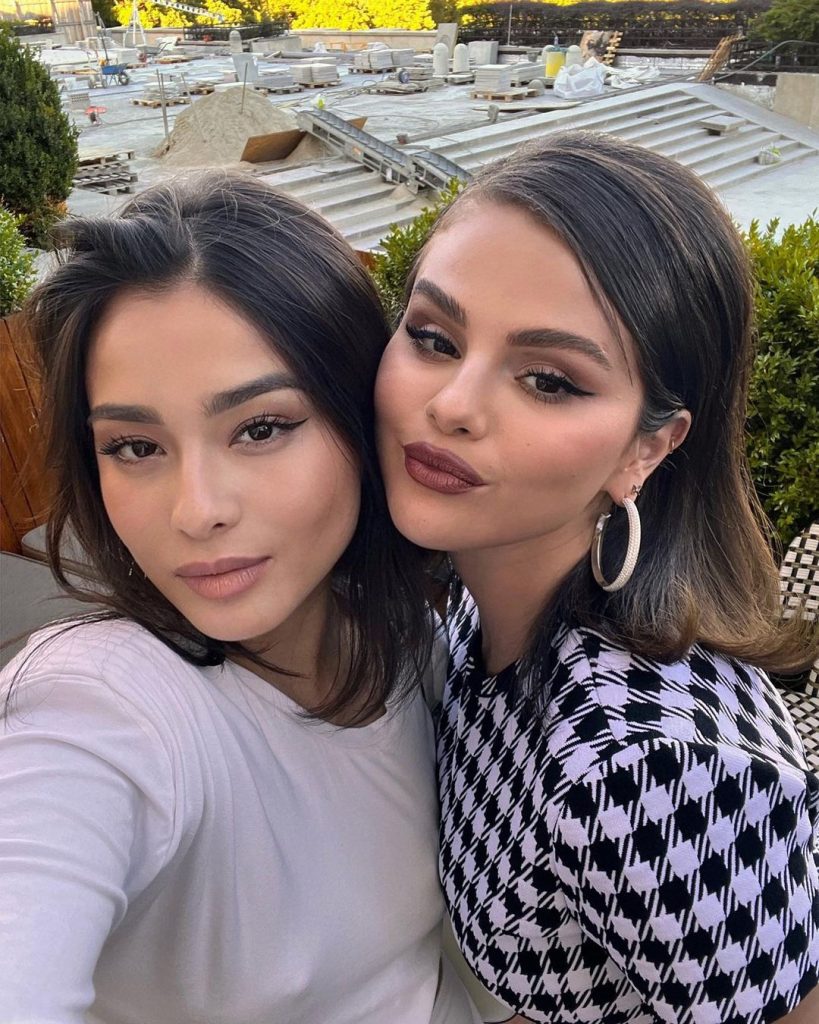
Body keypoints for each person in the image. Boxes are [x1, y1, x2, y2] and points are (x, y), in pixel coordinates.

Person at [0, 174, 479, 1024]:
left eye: (260, 428)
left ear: (360, 415)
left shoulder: (413, 632)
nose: (196, 511)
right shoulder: (101, 708)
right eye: (135, 446)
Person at [375, 131, 819, 1024]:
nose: (452, 405)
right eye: (432, 337)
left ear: (645, 449)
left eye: (547, 380)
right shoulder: (478, 615)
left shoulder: (647, 775)